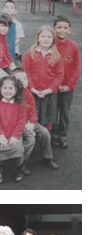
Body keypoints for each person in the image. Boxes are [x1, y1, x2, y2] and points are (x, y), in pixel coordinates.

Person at [12, 68, 59, 173]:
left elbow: (33, 111)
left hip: (29, 122)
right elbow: (12, 116)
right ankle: (22, 163)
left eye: (25, 79)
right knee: (30, 140)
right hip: (17, 125)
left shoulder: (28, 93)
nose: (23, 81)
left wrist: (32, 124)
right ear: (13, 81)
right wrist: (25, 126)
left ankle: (47, 158)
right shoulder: (11, 94)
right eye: (19, 79)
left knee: (45, 132)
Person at [22, 25, 64, 131]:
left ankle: (45, 139)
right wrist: (32, 89)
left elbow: (59, 75)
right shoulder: (29, 54)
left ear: (53, 40)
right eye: (43, 36)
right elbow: (26, 73)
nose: (46, 39)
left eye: (49, 37)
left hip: (49, 93)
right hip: (33, 92)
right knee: (32, 117)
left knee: (47, 118)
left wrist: (49, 90)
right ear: (38, 38)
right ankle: (33, 140)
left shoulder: (56, 55)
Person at [0, 76, 27, 184]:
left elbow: (21, 122)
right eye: (4, 88)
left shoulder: (20, 104)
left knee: (19, 149)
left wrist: (15, 136)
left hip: (15, 133)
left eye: (11, 88)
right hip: (1, 133)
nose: (7, 91)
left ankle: (19, 169)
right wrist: (1, 135)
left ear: (16, 90)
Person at [52, 16, 80, 148]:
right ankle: (52, 135)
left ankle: (62, 135)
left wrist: (69, 85)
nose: (62, 30)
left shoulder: (74, 46)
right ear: (54, 29)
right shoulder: (50, 44)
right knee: (51, 112)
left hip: (67, 88)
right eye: (59, 27)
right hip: (53, 87)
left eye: (65, 28)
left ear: (69, 30)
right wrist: (54, 85)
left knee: (64, 113)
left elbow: (76, 68)